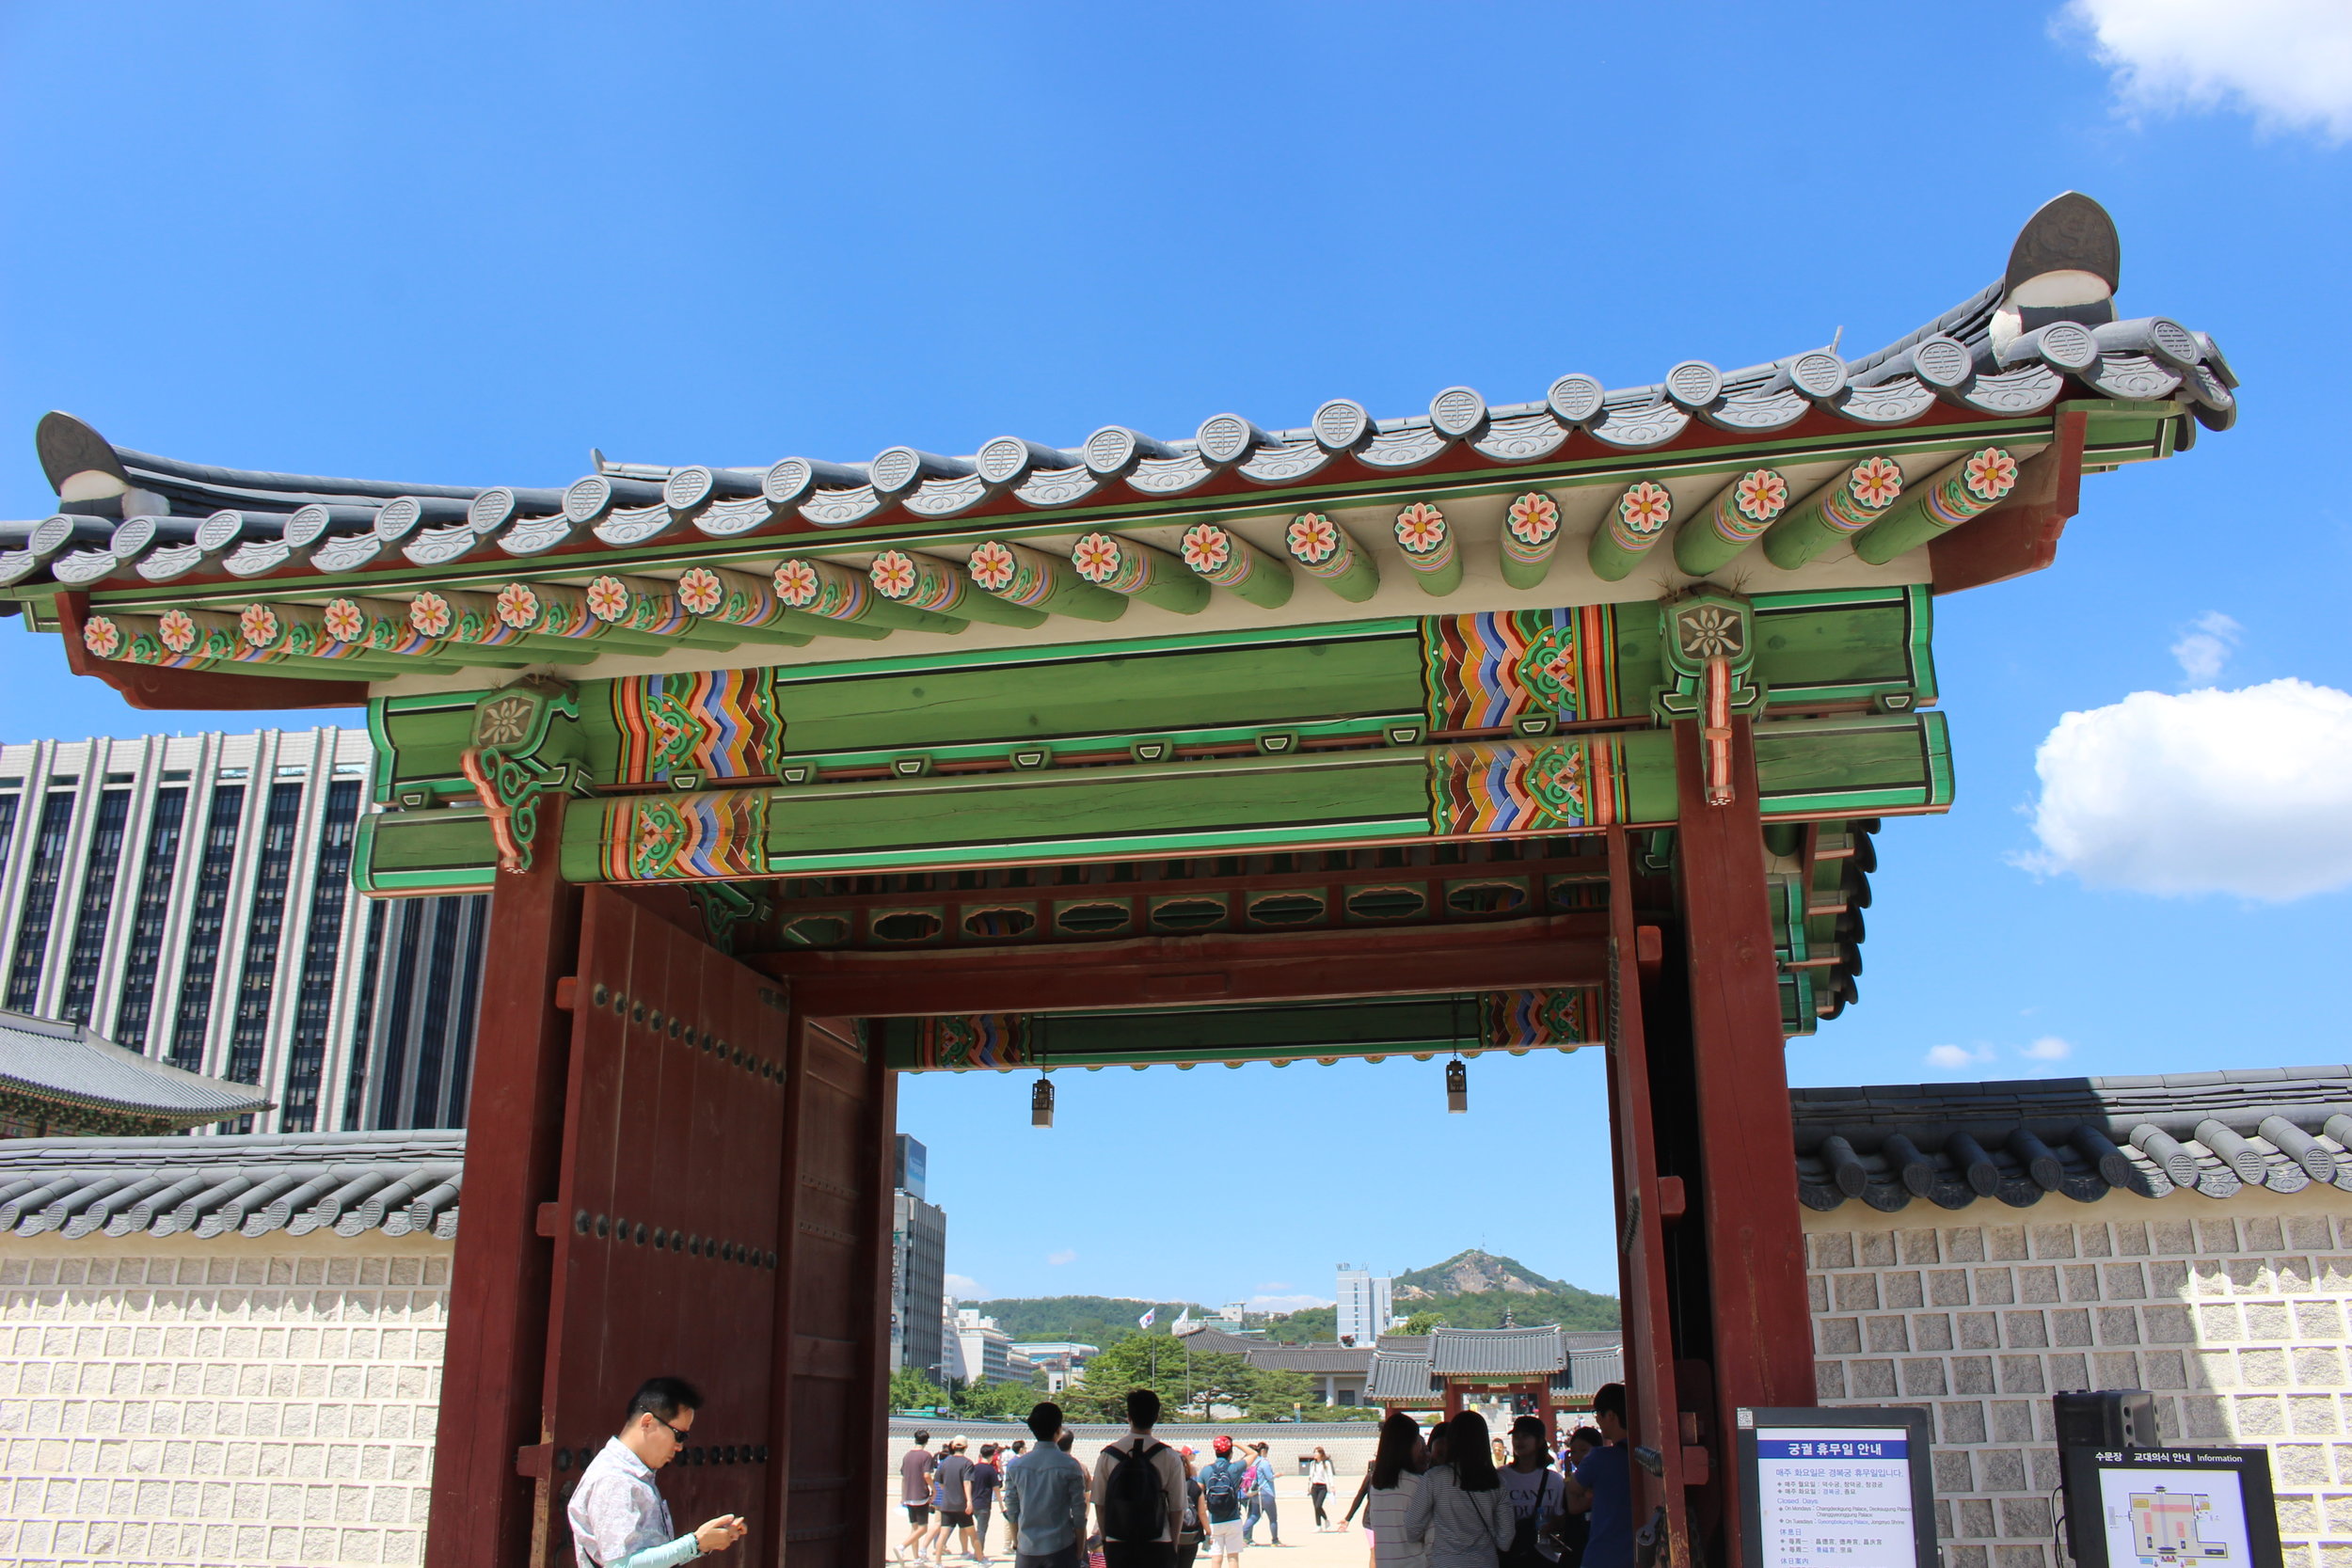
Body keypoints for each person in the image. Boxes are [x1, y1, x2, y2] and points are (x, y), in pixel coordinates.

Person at [566, 1375, 747, 1568]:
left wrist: (703, 1544)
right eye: (679, 1435)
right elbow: (622, 1566)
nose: (680, 1447)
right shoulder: (615, 1479)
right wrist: (694, 1543)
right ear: (647, 1422)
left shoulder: (634, 1475)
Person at [1094, 1388, 1190, 1568]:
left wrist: (1107, 1541)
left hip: (1118, 1543)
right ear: (1156, 1417)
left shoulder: (1108, 1455)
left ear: (1128, 1416)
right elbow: (1177, 1508)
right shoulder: (1169, 1456)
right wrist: (1173, 1546)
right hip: (1158, 1543)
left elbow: (1100, 1505)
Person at [1403, 1411, 1510, 1568]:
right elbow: (1505, 1541)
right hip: (1485, 1562)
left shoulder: (1434, 1477)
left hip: (1445, 1562)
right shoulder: (1497, 1482)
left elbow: (1411, 1529)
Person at [1004, 1402, 1090, 1568]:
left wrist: (1016, 1541)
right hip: (1061, 1547)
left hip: (1027, 1548)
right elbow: (1079, 1512)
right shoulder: (1070, 1465)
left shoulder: (1016, 1466)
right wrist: (1079, 1548)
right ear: (1058, 1430)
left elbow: (1012, 1509)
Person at [1560, 1387, 1630, 1568]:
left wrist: (1569, 1475)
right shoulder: (1645, 1453)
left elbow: (1574, 1500)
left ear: (1611, 1415)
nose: (1596, 1419)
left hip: (1604, 1556)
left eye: (1597, 1413)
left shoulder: (1599, 1458)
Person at [1348, 1411, 1427, 1568]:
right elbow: (1425, 1535)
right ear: (1410, 1445)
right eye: (1417, 1440)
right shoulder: (1418, 1484)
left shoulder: (1377, 1486)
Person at [1498, 1417, 1565, 1568]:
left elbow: (1561, 1518)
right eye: (1516, 1436)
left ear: (1540, 1441)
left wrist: (1550, 1527)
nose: (1519, 1441)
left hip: (1545, 1557)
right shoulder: (1501, 1477)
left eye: (1525, 1436)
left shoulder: (1554, 1480)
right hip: (1510, 1557)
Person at [1199, 1435, 1250, 1568]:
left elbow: (1198, 1493)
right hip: (1233, 1518)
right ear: (1230, 1452)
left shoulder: (1206, 1470)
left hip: (1214, 1520)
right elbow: (1253, 1453)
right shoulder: (1235, 1468)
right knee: (1233, 1557)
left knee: (1216, 1557)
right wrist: (1237, 1444)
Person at [1553, 1432, 1597, 1568]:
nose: (1578, 1456)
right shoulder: (1573, 1480)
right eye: (1573, 1452)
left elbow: (1575, 1507)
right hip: (1574, 1553)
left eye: (1584, 1450)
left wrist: (1568, 1478)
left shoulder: (1601, 1481)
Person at [931, 1437, 977, 1564]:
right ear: (966, 1447)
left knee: (943, 1533)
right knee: (972, 1533)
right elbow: (967, 1482)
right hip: (961, 1504)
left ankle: (938, 1562)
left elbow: (939, 1482)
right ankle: (980, 1559)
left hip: (946, 1503)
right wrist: (969, 1501)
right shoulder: (967, 1463)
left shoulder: (944, 1462)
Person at [901, 1430, 939, 1565]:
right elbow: (927, 1475)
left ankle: (916, 1558)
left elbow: (904, 1477)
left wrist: (903, 1495)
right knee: (923, 1528)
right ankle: (902, 1547)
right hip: (921, 1495)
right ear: (926, 1441)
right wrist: (934, 1490)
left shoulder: (907, 1456)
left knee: (914, 1528)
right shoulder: (926, 1456)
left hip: (909, 1495)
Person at [1242, 1442, 1280, 1546]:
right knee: (1273, 1518)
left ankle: (1241, 1535)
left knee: (1253, 1516)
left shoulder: (1253, 1462)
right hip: (1266, 1493)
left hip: (1255, 1493)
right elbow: (1269, 1477)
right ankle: (1275, 1540)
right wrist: (1277, 1475)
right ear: (1263, 1451)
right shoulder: (1264, 1462)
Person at [974, 1445, 1004, 1565]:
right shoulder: (991, 1469)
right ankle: (979, 1556)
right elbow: (996, 1488)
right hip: (984, 1503)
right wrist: (1001, 1504)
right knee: (981, 1530)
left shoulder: (974, 1468)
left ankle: (976, 1553)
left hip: (973, 1502)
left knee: (974, 1530)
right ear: (992, 1456)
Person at [1176, 1448, 1207, 1568]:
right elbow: (1202, 1512)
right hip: (1191, 1534)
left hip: (1171, 1534)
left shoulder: (1166, 1485)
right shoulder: (1195, 1486)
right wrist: (1208, 1531)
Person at [1307, 1449, 1335, 1531]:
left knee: (1318, 1505)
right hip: (1314, 1487)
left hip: (1323, 1487)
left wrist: (1332, 1486)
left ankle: (1326, 1520)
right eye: (1314, 1452)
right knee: (1315, 1507)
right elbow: (1310, 1476)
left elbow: (1330, 1475)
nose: (1315, 1454)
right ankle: (1318, 1526)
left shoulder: (1326, 1463)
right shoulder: (1313, 1464)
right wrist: (1309, 1487)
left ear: (1321, 1454)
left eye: (1317, 1453)